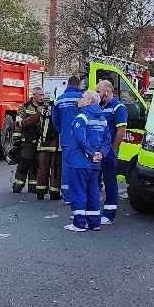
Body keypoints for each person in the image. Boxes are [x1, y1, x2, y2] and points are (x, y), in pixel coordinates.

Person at [62, 90, 108, 232]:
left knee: (78, 191)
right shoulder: (102, 118)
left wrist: (92, 153)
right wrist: (100, 153)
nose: (79, 100)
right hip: (95, 163)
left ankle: (79, 223)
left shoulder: (81, 117)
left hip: (80, 161)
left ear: (88, 101)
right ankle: (94, 222)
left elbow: (80, 139)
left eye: (82, 98)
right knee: (93, 191)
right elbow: (107, 139)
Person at [49, 76, 85, 206]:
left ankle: (67, 196)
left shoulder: (59, 100)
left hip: (65, 139)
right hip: (81, 139)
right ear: (78, 85)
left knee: (67, 167)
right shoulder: (83, 98)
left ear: (68, 85)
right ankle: (79, 194)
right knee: (81, 167)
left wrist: (63, 130)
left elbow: (55, 121)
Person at [96, 80, 128, 225]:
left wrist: (113, 150)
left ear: (107, 92)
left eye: (98, 92)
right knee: (93, 181)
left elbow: (121, 130)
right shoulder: (98, 106)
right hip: (97, 151)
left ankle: (109, 214)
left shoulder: (118, 108)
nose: (97, 94)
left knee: (110, 183)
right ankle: (92, 211)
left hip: (108, 151)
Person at [12, 87, 48, 194]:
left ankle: (33, 185)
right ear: (34, 95)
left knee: (36, 163)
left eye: (43, 94)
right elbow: (18, 123)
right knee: (25, 162)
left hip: (40, 140)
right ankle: (18, 185)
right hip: (27, 140)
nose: (42, 97)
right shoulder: (25, 107)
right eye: (40, 95)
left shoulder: (45, 107)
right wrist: (17, 139)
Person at [35, 89, 64, 201]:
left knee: (42, 169)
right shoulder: (60, 111)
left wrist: (20, 123)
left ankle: (40, 193)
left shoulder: (43, 110)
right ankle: (54, 193)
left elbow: (32, 120)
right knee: (56, 169)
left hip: (43, 144)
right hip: (56, 146)